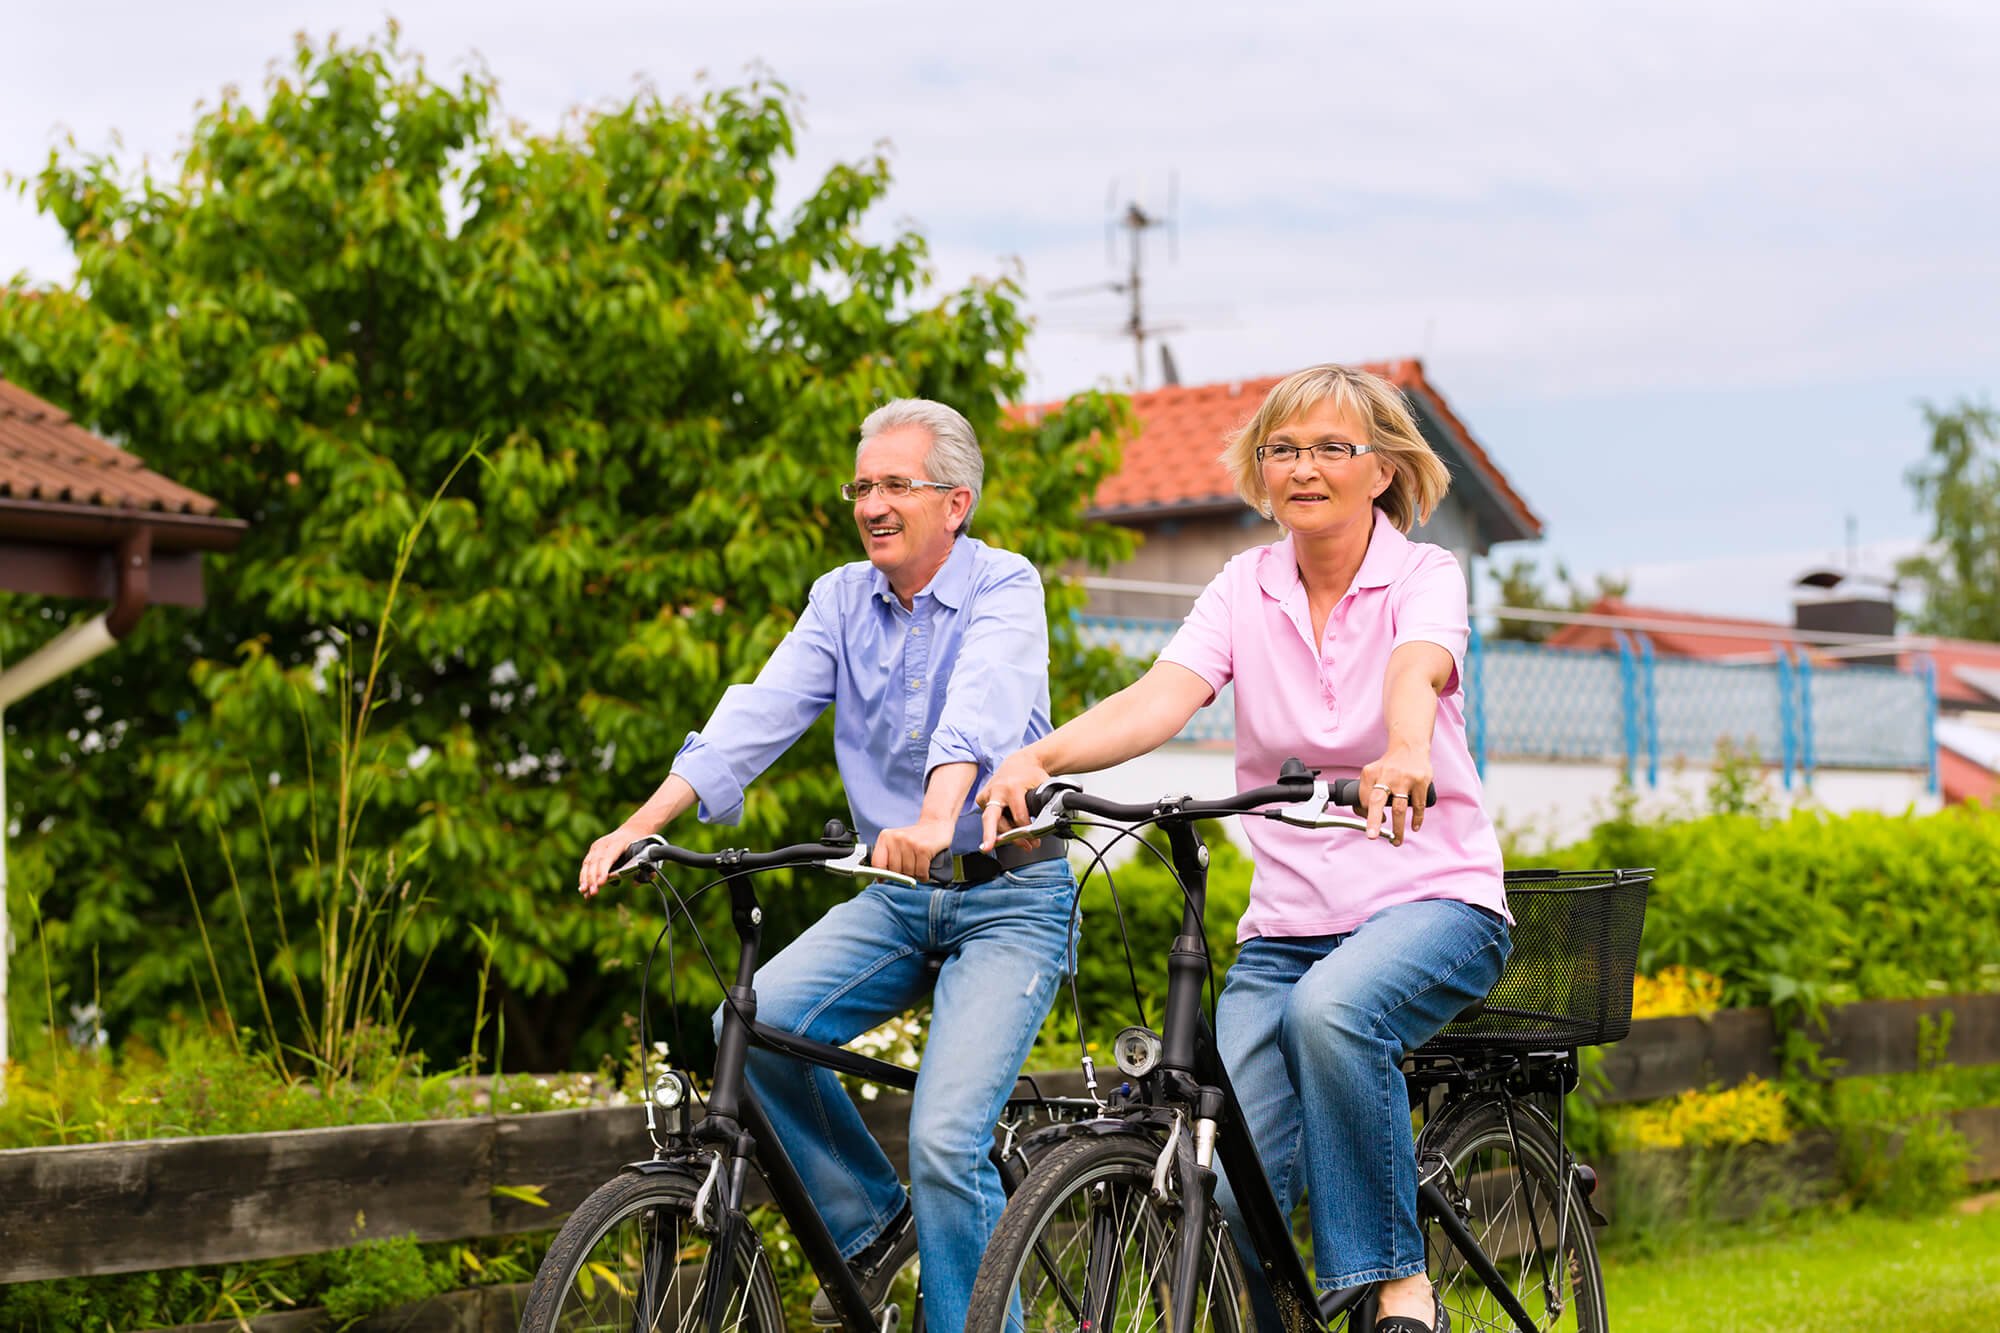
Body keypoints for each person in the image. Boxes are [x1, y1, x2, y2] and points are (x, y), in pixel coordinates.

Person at [979, 364, 1510, 1333]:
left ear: (1380, 470)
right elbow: (1162, 693)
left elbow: (1416, 669)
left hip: (1433, 902)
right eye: (1281, 449)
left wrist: (1401, 748)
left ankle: (1398, 1284)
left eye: (1327, 448)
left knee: (1331, 1012)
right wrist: (1040, 756)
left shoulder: (1421, 575)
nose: (1301, 468)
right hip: (1284, 929)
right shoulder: (1243, 585)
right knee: (1216, 1186)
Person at [579, 398, 1078, 1330]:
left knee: (943, 1137)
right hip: (896, 895)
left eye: (897, 484)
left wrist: (938, 816)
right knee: (754, 1024)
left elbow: (980, 706)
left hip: (1008, 893)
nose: (872, 502)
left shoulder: (1006, 586)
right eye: (863, 485)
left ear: (956, 502)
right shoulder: (840, 597)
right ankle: (875, 1225)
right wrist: (640, 824)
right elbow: (755, 717)